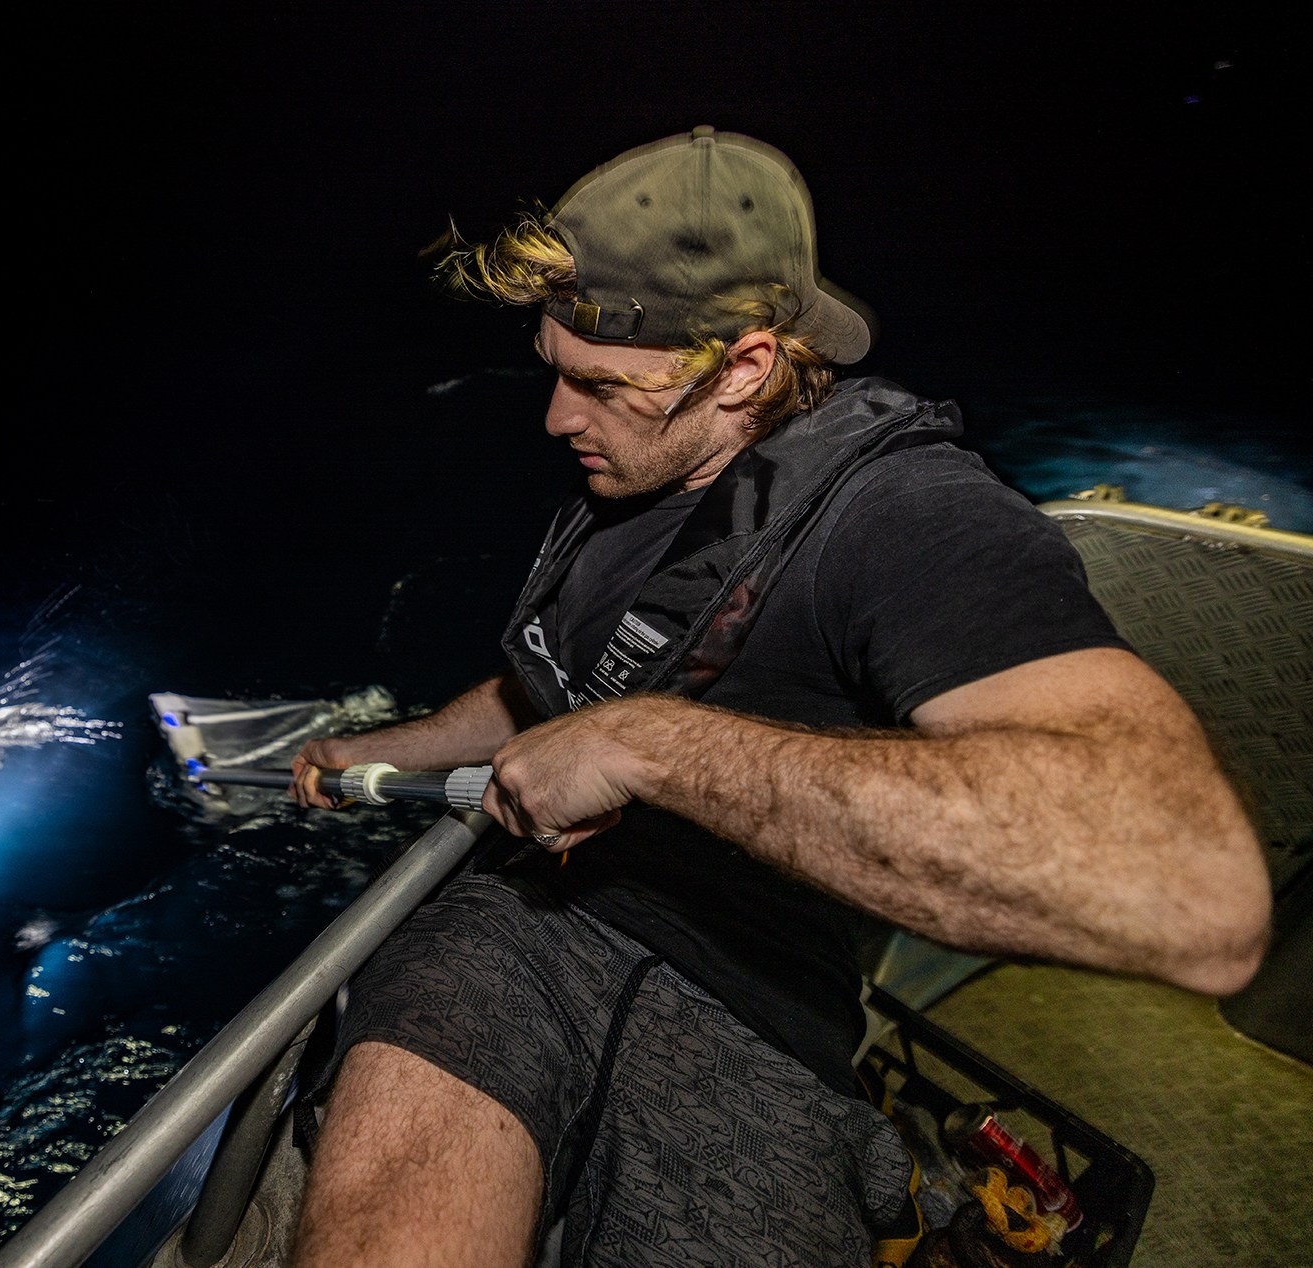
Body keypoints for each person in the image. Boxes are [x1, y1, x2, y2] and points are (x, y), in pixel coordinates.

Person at [283, 126, 1271, 1267]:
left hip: (766, 1013)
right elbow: (553, 685)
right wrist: (383, 747)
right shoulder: (628, 472)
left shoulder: (907, 516)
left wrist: (654, 746)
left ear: (745, 368)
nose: (556, 417)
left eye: (598, 385)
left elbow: (1188, 887)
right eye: (554, 369)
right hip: (523, 927)